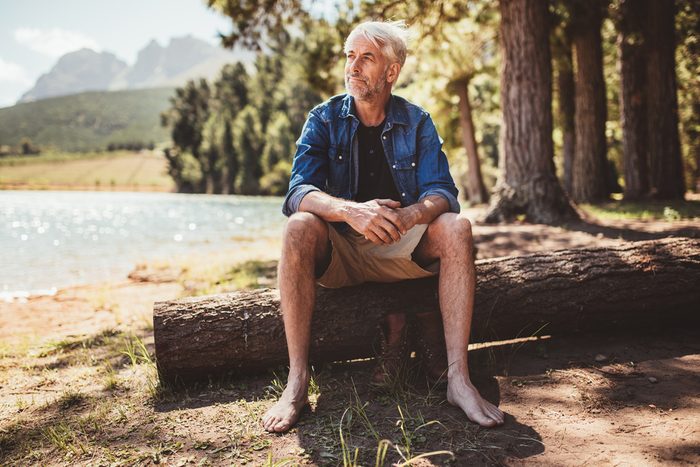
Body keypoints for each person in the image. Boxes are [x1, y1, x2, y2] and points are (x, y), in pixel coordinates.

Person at [262, 20, 504, 433]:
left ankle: (459, 381)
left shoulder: (417, 121)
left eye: (366, 58)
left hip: (400, 249)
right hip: (341, 251)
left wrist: (412, 215)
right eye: (349, 57)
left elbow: (443, 193)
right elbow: (297, 192)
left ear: (391, 72)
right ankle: (297, 382)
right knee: (299, 227)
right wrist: (351, 211)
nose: (353, 67)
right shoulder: (323, 118)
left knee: (457, 227)